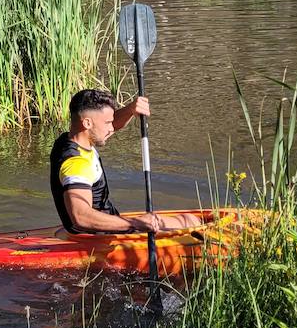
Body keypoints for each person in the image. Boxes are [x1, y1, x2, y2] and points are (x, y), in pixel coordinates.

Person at [49, 88, 201, 235]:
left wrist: (131, 109)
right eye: (107, 122)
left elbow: (112, 124)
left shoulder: (68, 140)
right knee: (190, 221)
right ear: (87, 123)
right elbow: (80, 217)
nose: (111, 128)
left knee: (190, 220)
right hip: (100, 236)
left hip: (102, 227)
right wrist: (136, 223)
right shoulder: (77, 164)